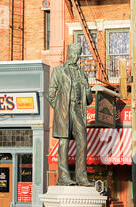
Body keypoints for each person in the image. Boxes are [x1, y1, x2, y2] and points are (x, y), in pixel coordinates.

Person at [47, 42, 94, 186]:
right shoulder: (59, 71)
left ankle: (81, 177)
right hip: (64, 110)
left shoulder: (82, 74)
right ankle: (63, 177)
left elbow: (89, 100)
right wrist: (59, 107)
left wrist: (87, 88)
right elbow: (50, 93)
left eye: (78, 54)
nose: (75, 57)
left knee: (83, 142)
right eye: (73, 53)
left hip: (77, 109)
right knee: (63, 143)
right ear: (69, 53)